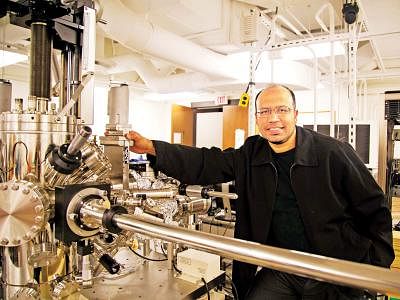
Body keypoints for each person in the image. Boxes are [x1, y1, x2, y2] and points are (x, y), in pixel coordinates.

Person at [126, 84, 394, 299]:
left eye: (281, 110)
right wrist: (152, 147)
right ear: (256, 118)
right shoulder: (252, 152)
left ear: (295, 115)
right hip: (282, 266)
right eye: (264, 112)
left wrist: (372, 271)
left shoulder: (332, 153)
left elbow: (374, 207)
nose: (273, 118)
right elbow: (207, 162)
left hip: (331, 268)